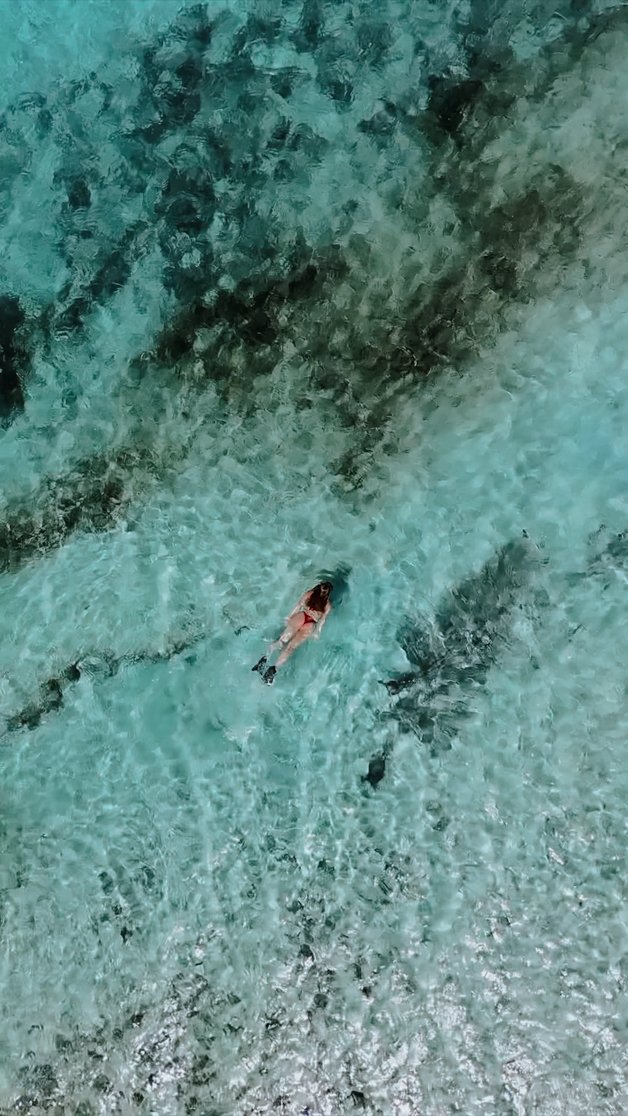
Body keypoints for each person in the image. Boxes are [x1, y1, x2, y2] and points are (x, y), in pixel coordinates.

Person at [252, 581, 332, 684]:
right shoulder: (327, 605)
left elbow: (299, 605)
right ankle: (273, 670)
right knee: (291, 647)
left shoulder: (311, 593)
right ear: (329, 592)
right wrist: (317, 632)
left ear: (319, 587)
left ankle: (264, 660)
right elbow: (322, 620)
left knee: (282, 641)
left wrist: (289, 616)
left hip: (302, 616)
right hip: (311, 623)